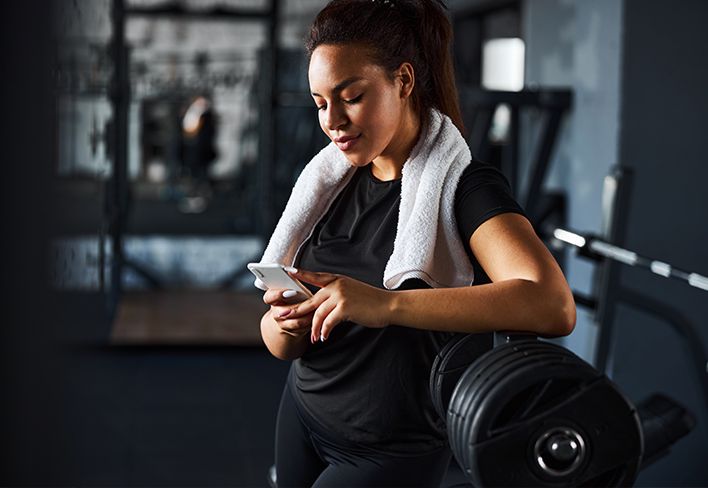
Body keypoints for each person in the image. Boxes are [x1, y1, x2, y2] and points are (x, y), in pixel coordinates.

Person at [257, 0, 576, 485]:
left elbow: (552, 305)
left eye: (351, 96)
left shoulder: (465, 187)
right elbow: (281, 344)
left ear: (403, 81)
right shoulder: (329, 183)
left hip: (390, 449)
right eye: (321, 103)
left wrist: (387, 305)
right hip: (303, 413)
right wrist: (287, 322)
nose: (333, 120)